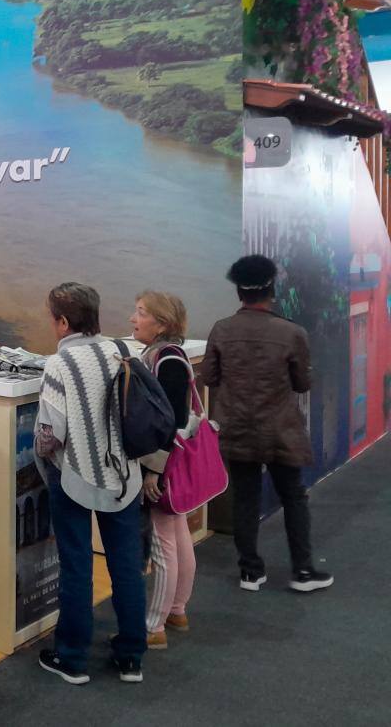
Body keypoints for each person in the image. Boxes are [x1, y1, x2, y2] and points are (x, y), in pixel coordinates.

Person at [34, 282, 146, 685]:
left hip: (75, 477)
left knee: (77, 565)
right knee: (126, 565)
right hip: (125, 477)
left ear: (63, 321)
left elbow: (51, 436)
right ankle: (131, 655)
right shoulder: (125, 351)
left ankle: (73, 657)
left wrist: (44, 455)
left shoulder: (58, 365)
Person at [201, 255, 333, 594]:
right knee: (293, 496)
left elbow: (210, 378)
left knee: (245, 497)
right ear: (271, 291)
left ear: (239, 294)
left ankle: (250, 572)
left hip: (238, 428)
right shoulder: (292, 332)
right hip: (280, 430)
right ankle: (302, 571)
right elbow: (302, 383)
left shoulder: (221, 329)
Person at [129, 291, 195, 650]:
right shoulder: (169, 355)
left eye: (140, 313)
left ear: (163, 323)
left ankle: (153, 625)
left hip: (162, 462)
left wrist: (155, 470)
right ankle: (177, 609)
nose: (132, 319)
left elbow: (172, 419)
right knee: (177, 530)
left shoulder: (166, 359)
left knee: (163, 540)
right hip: (173, 459)